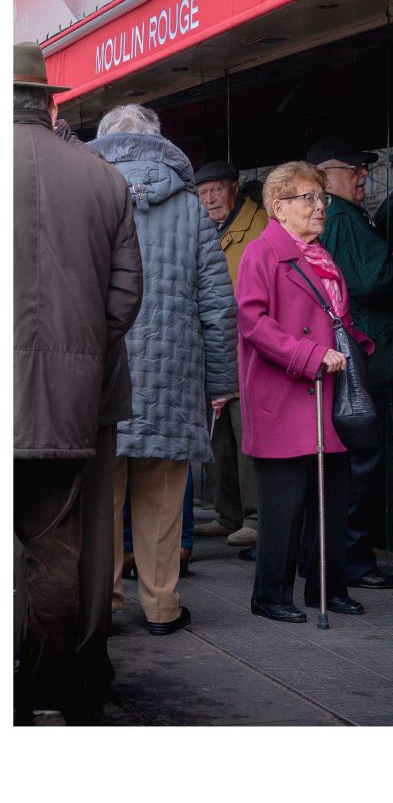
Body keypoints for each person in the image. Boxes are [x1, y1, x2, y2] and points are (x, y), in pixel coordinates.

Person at [13, 43, 143, 725]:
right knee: (58, 549)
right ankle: (42, 689)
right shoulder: (101, 177)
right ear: (49, 99)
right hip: (70, 399)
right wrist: (81, 356)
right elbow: (126, 300)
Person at [90, 105, 238, 635]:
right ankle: (161, 605)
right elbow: (219, 305)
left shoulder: (91, 196)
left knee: (101, 498)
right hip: (174, 374)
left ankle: (101, 604)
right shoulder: (192, 209)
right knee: (163, 497)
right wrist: (222, 384)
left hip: (105, 371)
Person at [236, 161, 375, 623]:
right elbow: (254, 323)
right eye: (308, 198)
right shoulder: (262, 252)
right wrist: (309, 356)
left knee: (331, 499)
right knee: (284, 505)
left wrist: (358, 348)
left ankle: (327, 588)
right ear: (279, 207)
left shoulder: (320, 253)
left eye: (321, 197)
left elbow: (333, 318)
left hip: (327, 391)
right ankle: (270, 595)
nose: (319, 207)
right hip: (286, 392)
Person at [306, 138, 393, 590]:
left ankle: (334, 556)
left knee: (346, 462)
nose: (363, 176)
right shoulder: (342, 216)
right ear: (327, 175)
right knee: (361, 462)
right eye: (355, 169)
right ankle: (355, 561)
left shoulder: (325, 215)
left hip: (348, 353)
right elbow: (368, 280)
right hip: (362, 355)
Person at [193, 161, 268, 549]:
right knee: (219, 438)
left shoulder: (259, 229)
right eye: (203, 194)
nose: (209, 200)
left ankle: (255, 517)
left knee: (245, 436)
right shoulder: (209, 229)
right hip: (217, 350)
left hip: (246, 350)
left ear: (234, 189)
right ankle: (227, 514)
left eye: (216, 191)